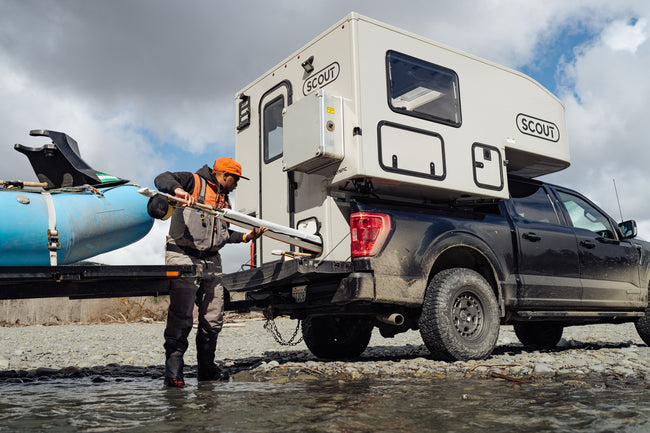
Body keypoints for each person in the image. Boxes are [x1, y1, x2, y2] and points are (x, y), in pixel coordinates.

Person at [154, 157, 266, 388]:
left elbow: (224, 235)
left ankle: (206, 370)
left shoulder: (224, 201)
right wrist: (178, 191)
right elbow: (161, 178)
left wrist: (247, 237)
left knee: (213, 318)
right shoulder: (191, 181)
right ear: (224, 175)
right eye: (235, 180)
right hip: (183, 256)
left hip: (212, 261)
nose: (236, 184)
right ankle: (174, 374)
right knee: (181, 316)